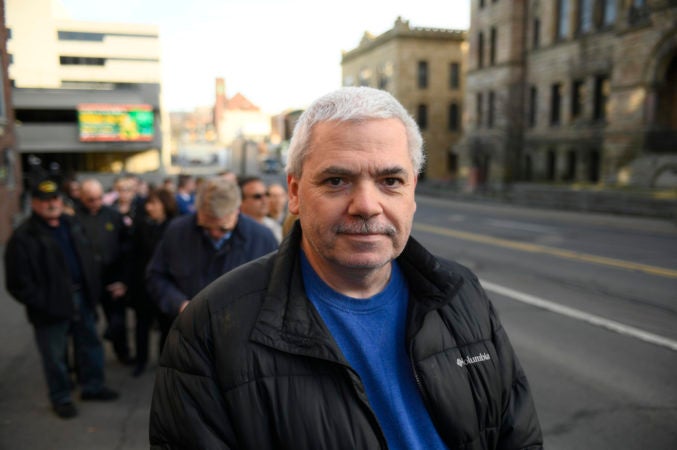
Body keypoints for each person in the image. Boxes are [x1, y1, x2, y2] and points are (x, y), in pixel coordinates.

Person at [149, 87, 543, 449]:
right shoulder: (210, 327)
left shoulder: (462, 293)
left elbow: (517, 436)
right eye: (337, 180)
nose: (367, 205)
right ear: (295, 192)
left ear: (413, 193)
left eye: (391, 180)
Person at [4, 178, 119, 419]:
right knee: (55, 357)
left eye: (55, 198)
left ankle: (92, 387)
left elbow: (87, 256)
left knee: (90, 345)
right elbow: (17, 284)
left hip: (82, 299)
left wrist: (92, 290)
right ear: (34, 203)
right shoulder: (24, 236)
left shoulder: (71, 224)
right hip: (50, 308)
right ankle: (61, 397)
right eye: (44, 200)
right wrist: (44, 303)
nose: (51, 204)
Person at [146, 176, 279, 318]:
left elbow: (276, 291)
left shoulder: (262, 239)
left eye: (223, 229)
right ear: (197, 210)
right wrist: (179, 304)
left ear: (237, 211)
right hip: (184, 329)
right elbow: (156, 276)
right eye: (207, 227)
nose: (215, 233)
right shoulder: (177, 231)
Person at [77, 178, 133, 365]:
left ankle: (122, 353)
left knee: (117, 321)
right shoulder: (74, 218)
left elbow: (127, 248)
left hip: (112, 278)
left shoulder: (113, 215)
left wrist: (123, 280)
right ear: (82, 197)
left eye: (99, 198)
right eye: (91, 199)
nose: (96, 203)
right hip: (86, 280)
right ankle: (84, 361)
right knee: (84, 324)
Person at [128, 187, 178, 377]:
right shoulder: (141, 226)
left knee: (167, 328)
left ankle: (164, 364)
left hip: (166, 287)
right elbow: (133, 257)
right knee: (141, 326)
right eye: (147, 204)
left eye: (153, 203)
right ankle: (140, 361)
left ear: (165, 205)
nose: (149, 208)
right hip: (143, 287)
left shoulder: (176, 227)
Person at [239, 175, 283, 243]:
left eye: (267, 194)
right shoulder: (232, 229)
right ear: (241, 201)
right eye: (257, 196)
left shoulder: (274, 227)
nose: (264, 200)